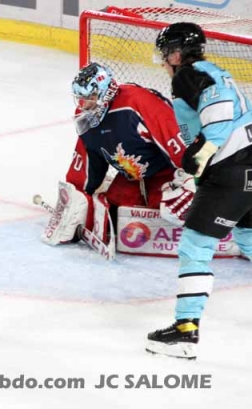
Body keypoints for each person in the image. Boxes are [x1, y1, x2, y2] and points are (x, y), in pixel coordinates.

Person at [146, 22, 252, 360]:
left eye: (166, 54)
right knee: (248, 236)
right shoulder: (214, 70)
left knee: (195, 246)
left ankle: (185, 331)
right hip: (248, 163)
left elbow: (218, 119)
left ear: (176, 54)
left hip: (231, 171)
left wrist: (197, 162)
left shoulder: (187, 75)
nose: (163, 61)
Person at [42, 62, 191, 248]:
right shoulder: (85, 116)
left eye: (90, 97)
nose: (83, 105)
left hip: (165, 174)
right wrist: (75, 198)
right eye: (80, 98)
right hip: (132, 179)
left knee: (172, 209)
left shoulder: (137, 103)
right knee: (109, 213)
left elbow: (177, 138)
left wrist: (191, 179)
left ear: (107, 92)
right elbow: (88, 161)